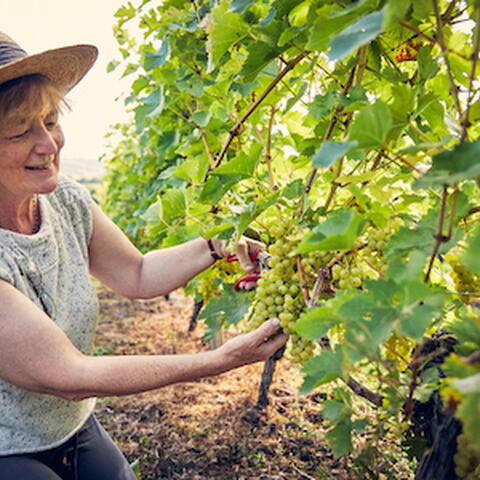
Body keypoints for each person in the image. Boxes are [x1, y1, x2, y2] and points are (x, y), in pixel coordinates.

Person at [0, 32, 288, 480]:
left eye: (51, 121)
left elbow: (137, 273)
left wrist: (215, 246)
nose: (49, 144)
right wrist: (219, 361)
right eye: (21, 130)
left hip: (72, 430)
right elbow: (68, 374)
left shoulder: (67, 203)